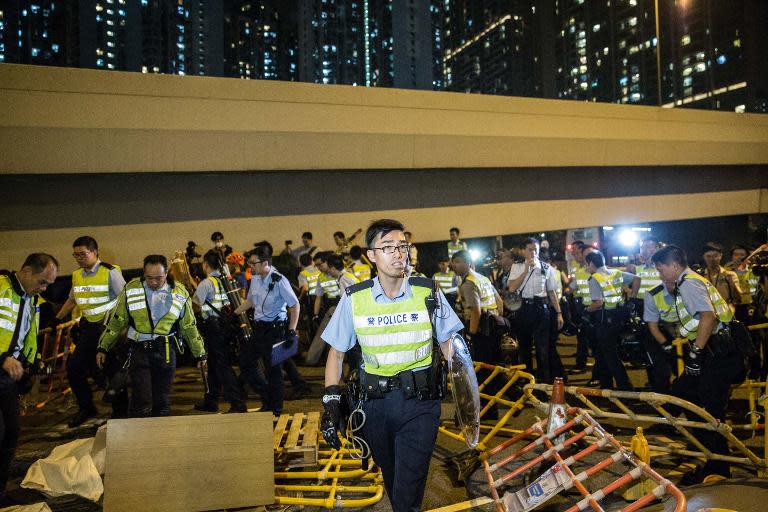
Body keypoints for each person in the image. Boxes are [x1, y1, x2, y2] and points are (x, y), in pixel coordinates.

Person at [320, 219, 463, 512]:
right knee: (392, 478)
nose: (399, 253)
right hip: (374, 406)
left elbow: (451, 345)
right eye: (388, 247)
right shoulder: (355, 299)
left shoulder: (428, 292)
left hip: (420, 404)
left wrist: (465, 385)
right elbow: (336, 353)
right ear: (371, 255)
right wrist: (331, 400)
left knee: (407, 491)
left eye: (402, 246)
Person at [650, 245, 745, 483]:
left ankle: (718, 467)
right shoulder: (690, 281)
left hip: (718, 354)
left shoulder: (689, 283)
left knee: (707, 409)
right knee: (688, 397)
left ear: (673, 265)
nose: (660, 275)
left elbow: (708, 316)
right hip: (717, 352)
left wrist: (695, 354)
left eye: (661, 270)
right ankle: (712, 456)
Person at [96, 255, 206, 417]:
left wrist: (200, 354)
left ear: (167, 272)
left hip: (166, 350)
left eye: (159, 278)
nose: (154, 282)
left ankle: (161, 438)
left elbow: (189, 326)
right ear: (143, 273)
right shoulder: (131, 289)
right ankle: (138, 438)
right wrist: (103, 347)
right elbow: (117, 322)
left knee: (162, 399)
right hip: (139, 350)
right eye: (149, 278)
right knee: (141, 398)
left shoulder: (179, 292)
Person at [0, 254, 58, 505]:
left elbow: (26, 335)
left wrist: (32, 362)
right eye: (42, 282)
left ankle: (0, 492)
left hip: (8, 377)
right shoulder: (1, 289)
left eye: (48, 285)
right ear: (25, 271)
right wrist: (2, 358)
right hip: (1, 367)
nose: (44, 289)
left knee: (11, 434)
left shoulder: (31, 298)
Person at [52, 236, 127, 427]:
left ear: (94, 252)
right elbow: (72, 300)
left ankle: (120, 411)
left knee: (111, 370)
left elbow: (125, 300)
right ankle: (86, 407)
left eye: (82, 254)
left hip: (108, 328)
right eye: (75, 255)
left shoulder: (110, 272)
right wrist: (57, 318)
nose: (78, 258)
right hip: (88, 328)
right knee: (74, 369)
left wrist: (123, 329)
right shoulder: (77, 275)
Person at [234, 245, 300, 416]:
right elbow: (251, 301)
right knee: (246, 361)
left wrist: (292, 330)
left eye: (253, 263)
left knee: (274, 371)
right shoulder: (255, 278)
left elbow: (294, 304)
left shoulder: (279, 280)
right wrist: (235, 313)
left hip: (276, 329)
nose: (250, 266)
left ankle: (276, 408)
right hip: (259, 329)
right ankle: (266, 396)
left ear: (265, 263)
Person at [192, 250, 247, 413]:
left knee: (222, 366)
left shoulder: (207, 283)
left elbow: (195, 305)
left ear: (206, 265)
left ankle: (237, 403)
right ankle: (211, 400)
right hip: (227, 326)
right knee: (216, 364)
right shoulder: (227, 280)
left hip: (213, 327)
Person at [507, 238, 564, 384]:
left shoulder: (546, 267)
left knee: (542, 348)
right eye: (530, 249)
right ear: (523, 251)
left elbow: (551, 292)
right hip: (523, 308)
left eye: (536, 249)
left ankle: (544, 383)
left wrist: (559, 313)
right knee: (524, 347)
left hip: (541, 308)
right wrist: (526, 270)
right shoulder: (517, 266)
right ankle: (527, 383)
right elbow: (512, 288)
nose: (533, 252)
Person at [584, 250, 639, 390]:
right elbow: (637, 279)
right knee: (603, 354)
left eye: (587, 264)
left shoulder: (594, 278)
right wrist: (632, 299)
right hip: (618, 318)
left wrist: (586, 311)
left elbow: (598, 302)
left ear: (591, 263)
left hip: (604, 321)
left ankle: (626, 388)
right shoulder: (615, 273)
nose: (586, 268)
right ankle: (606, 385)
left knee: (610, 356)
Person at [306, 254, 359, 366]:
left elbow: (349, 299)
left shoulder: (344, 278)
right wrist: (316, 315)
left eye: (321, 264)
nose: (319, 267)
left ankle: (352, 370)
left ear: (332, 267)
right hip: (336, 310)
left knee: (350, 345)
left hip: (344, 312)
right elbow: (319, 297)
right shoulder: (342, 276)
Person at [626, 237, 662, 316]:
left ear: (657, 249)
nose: (644, 250)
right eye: (641, 247)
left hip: (658, 310)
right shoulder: (637, 269)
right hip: (640, 310)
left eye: (648, 247)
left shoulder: (663, 269)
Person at [702, 242, 741, 310]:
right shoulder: (699, 276)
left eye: (715, 256)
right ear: (704, 257)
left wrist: (732, 284)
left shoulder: (730, 275)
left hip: (726, 314)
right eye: (708, 256)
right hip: (707, 314)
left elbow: (738, 299)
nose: (712, 259)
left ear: (721, 256)